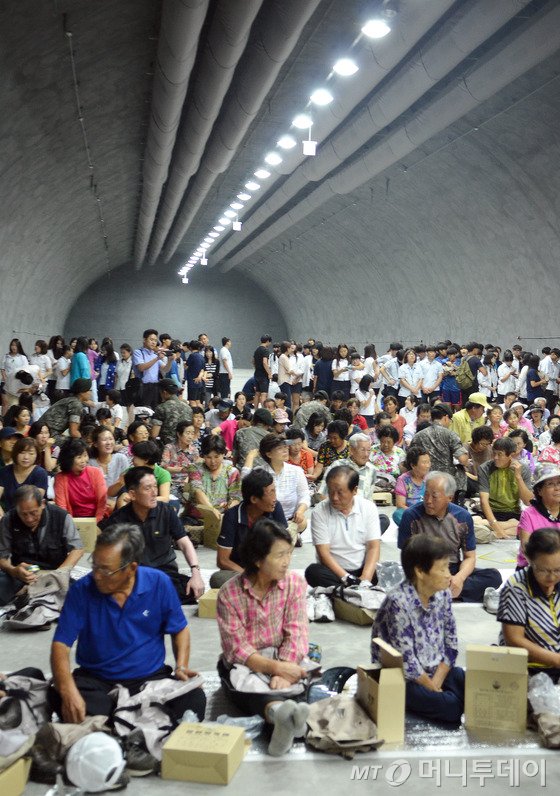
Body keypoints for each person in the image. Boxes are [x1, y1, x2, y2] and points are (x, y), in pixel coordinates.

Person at [49, 524, 206, 729]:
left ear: (131, 568)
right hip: (97, 680)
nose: (96, 575)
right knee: (61, 696)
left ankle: (116, 722)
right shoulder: (82, 590)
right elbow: (60, 645)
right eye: (94, 565)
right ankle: (136, 721)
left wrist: (181, 666)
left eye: (106, 570)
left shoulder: (158, 583)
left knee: (193, 701)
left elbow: (179, 629)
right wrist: (68, 691)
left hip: (149, 679)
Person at [216, 519, 309, 757]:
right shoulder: (230, 593)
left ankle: (283, 718)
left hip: (283, 655)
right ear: (258, 560)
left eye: (288, 553)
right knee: (248, 686)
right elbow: (237, 649)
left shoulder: (294, 583)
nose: (286, 561)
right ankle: (280, 715)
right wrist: (277, 668)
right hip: (249, 662)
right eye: (279, 556)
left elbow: (296, 631)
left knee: (301, 676)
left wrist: (283, 671)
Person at [371, 534, 464, 725]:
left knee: (469, 682)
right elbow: (406, 661)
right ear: (421, 572)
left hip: (435, 669)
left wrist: (437, 681)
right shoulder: (398, 602)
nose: (449, 575)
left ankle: (446, 699)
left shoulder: (443, 593)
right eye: (443, 569)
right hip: (406, 678)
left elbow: (451, 641)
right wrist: (431, 687)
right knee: (452, 707)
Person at [100, 468, 204, 603]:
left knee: (190, 590)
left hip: (164, 572)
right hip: (134, 575)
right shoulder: (118, 520)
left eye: (155, 486)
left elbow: (184, 542)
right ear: (132, 494)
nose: (154, 493)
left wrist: (195, 572)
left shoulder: (166, 511)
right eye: (148, 488)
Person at [398, 471, 501, 601]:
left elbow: (469, 557)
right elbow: (406, 558)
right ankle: (448, 593)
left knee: (493, 576)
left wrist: (459, 578)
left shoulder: (462, 517)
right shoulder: (411, 515)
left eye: (434, 496)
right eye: (426, 494)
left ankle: (440, 592)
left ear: (449, 498)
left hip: (451, 570)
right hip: (424, 571)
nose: (428, 501)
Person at [0, 485, 83, 605]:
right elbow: (2, 556)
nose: (29, 519)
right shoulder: (8, 519)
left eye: (33, 513)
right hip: (22, 575)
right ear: (16, 509)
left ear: (43, 504)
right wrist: (13, 570)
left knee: (78, 595)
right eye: (23, 514)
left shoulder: (61, 516)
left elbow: (77, 549)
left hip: (53, 572)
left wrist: (58, 574)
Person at [498, 529, 560, 681]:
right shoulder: (516, 587)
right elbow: (514, 639)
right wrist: (556, 660)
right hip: (531, 669)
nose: (551, 577)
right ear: (530, 560)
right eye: (543, 570)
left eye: (558, 570)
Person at [305, 465, 381, 587]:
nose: (334, 498)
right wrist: (347, 578)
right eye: (330, 491)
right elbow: (324, 554)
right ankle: (348, 590)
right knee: (313, 572)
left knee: (380, 570)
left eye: (340, 493)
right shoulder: (319, 512)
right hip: (334, 571)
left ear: (354, 490)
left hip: (360, 568)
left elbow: (373, 547)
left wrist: (365, 578)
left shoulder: (368, 508)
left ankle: (343, 591)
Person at [210, 469, 287, 588]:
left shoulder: (276, 508)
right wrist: (249, 576)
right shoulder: (232, 516)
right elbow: (222, 560)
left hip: (267, 569)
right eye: (271, 493)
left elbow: (284, 550)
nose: (274, 498)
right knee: (217, 579)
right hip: (240, 571)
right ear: (254, 499)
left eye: (274, 491)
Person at [244, 434, 310, 537]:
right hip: (267, 518)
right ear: (269, 454)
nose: (285, 450)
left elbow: (305, 495)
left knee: (302, 523)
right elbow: (245, 482)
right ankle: (285, 535)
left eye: (285, 447)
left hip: (291, 519)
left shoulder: (296, 471)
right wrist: (250, 457)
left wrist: (300, 511)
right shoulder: (260, 472)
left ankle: (283, 533)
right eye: (280, 448)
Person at [478, 437, 533, 539]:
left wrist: (518, 477)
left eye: (500, 454)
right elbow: (484, 501)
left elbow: (528, 501)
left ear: (511, 455)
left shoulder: (523, 469)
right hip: (490, 512)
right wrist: (497, 528)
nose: (495, 457)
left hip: (512, 512)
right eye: (493, 453)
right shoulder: (485, 468)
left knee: (528, 526)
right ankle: (500, 527)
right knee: (474, 521)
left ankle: (488, 529)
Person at [183, 435, 241, 520]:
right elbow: (198, 492)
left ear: (223, 454)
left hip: (222, 518)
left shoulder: (232, 472)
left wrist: (228, 506)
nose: (213, 462)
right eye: (208, 457)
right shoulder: (195, 469)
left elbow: (236, 497)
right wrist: (212, 511)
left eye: (217, 457)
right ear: (203, 456)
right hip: (195, 518)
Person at [515, 464, 560, 569]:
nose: (557, 488)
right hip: (534, 568)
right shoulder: (529, 514)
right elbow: (526, 549)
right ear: (539, 491)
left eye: (559, 483)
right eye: (550, 484)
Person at [54, 438, 107, 522]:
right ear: (69, 459)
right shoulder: (60, 478)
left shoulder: (95, 472)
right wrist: (71, 525)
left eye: (85, 455)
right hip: (72, 520)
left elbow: (102, 502)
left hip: (97, 519)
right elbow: (62, 507)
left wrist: (95, 522)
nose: (84, 461)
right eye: (79, 457)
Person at [0, 437, 48, 515]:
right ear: (15, 453)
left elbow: (34, 502)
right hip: (7, 517)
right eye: (22, 452)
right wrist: (3, 518)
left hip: (32, 517)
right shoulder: (4, 472)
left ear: (37, 455)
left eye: (31, 453)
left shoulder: (40, 473)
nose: (26, 457)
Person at [40, 378, 92, 445]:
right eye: (89, 390)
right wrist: (85, 442)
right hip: (49, 435)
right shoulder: (76, 404)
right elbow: (73, 432)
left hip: (47, 432)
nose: (90, 392)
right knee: (76, 444)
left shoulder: (70, 400)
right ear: (82, 392)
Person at [88, 427, 129, 505]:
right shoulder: (90, 463)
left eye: (111, 439)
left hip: (120, 503)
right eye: (104, 440)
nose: (108, 442)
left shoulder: (121, 459)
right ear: (95, 444)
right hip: (96, 503)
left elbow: (127, 485)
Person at [132, 329, 171, 410]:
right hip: (143, 387)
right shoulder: (138, 352)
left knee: (154, 412)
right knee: (142, 413)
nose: (154, 342)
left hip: (155, 387)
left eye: (155, 340)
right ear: (144, 340)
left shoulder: (154, 354)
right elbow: (141, 368)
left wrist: (170, 360)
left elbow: (165, 369)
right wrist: (157, 358)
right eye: (151, 339)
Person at [393, 447, 431, 526]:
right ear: (413, 465)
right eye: (424, 463)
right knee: (397, 514)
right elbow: (400, 505)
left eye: (429, 462)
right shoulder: (403, 479)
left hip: (428, 512)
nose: (428, 466)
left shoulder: (431, 478)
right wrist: (416, 513)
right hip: (412, 513)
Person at [150, 378, 193, 445]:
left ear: (164, 392)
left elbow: (154, 434)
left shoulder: (161, 407)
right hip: (184, 446)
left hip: (167, 447)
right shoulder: (188, 407)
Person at [253, 334, 273, 407]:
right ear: (267, 341)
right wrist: (269, 373)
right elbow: (265, 362)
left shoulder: (257, 349)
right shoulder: (265, 350)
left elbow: (253, 361)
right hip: (263, 375)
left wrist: (257, 367)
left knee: (257, 393)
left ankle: (256, 410)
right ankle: (263, 410)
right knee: (264, 394)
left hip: (257, 373)